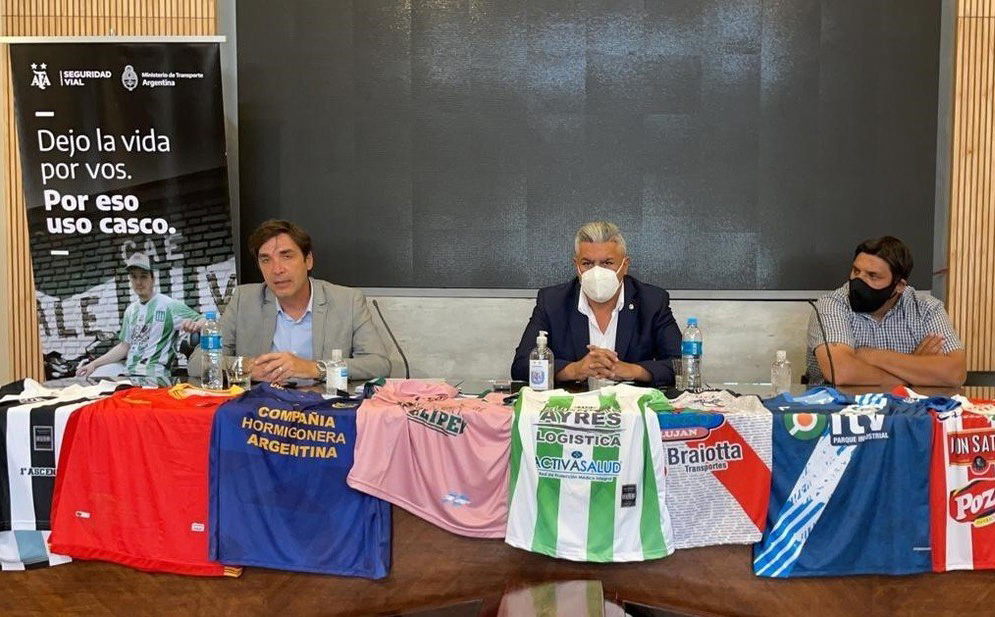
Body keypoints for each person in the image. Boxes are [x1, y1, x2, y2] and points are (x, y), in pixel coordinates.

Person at [189, 219, 390, 383]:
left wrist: (314, 368)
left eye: (286, 256)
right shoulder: (244, 299)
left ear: (308, 260)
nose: (277, 269)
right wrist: (248, 366)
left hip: (322, 414)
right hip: (260, 414)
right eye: (266, 260)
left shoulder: (347, 301)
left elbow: (378, 364)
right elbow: (197, 362)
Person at [511, 221, 681, 387]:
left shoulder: (652, 301)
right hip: (574, 406)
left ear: (625, 265)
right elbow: (521, 365)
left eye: (607, 263)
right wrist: (575, 370)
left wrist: (632, 370)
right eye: (587, 263)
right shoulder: (552, 301)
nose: (597, 271)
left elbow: (681, 364)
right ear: (576, 265)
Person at [807, 235, 966, 386]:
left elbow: (955, 373)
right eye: (856, 271)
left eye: (872, 275)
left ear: (899, 285)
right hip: (839, 408)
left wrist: (870, 355)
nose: (859, 280)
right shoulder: (831, 305)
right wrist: (914, 373)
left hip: (909, 410)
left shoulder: (927, 308)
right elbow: (841, 372)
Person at [77, 253, 202, 378]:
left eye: (143, 276)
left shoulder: (169, 305)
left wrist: (196, 325)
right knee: (91, 377)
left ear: (153, 280)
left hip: (154, 376)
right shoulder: (130, 311)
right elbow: (124, 346)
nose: (138, 282)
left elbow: (207, 320)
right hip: (129, 374)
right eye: (134, 277)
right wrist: (93, 364)